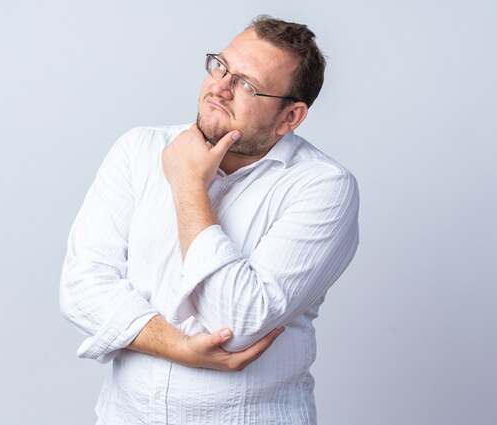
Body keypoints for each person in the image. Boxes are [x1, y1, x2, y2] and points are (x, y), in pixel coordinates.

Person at [60, 15, 359, 424]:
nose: (219, 87)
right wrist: (176, 346)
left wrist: (187, 184)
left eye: (247, 85)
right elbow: (82, 287)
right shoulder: (138, 150)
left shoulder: (322, 187)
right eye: (221, 66)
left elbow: (238, 321)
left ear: (290, 118)